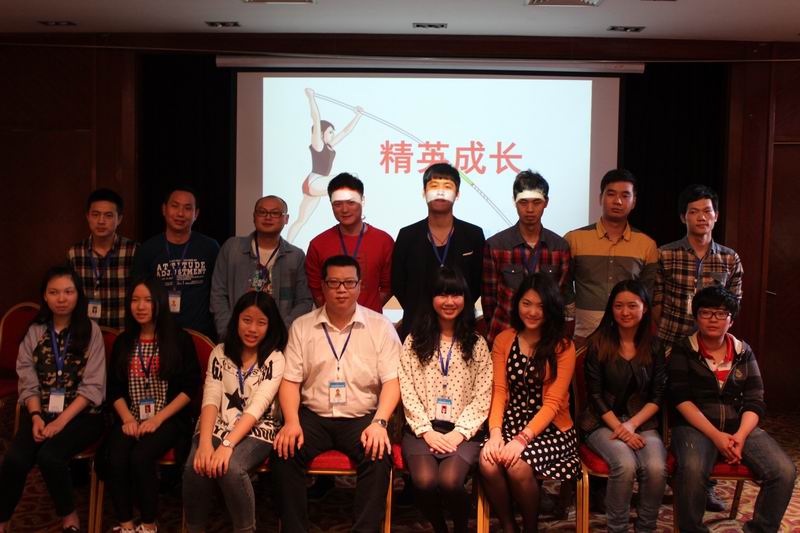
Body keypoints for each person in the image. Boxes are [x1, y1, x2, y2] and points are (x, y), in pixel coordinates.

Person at [272, 255, 402, 533]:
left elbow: (393, 381)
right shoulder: (302, 326)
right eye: (334, 283)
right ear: (322, 286)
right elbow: (290, 381)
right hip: (313, 417)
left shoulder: (381, 327)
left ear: (360, 286)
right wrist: (291, 421)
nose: (341, 289)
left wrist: (380, 422)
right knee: (284, 452)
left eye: (348, 283)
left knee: (379, 455)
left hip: (362, 417)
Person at [668, 286, 796, 533]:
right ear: (696, 317)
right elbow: (681, 400)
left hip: (739, 427)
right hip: (695, 427)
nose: (713, 319)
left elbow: (755, 400)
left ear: (731, 320)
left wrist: (740, 436)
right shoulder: (684, 349)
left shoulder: (743, 351)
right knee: (692, 471)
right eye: (706, 312)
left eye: (721, 313)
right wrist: (716, 436)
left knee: (784, 471)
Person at [0, 265, 106, 533]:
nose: (62, 299)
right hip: (41, 412)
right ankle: (3, 519)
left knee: (50, 456)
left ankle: (69, 517)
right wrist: (36, 416)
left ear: (78, 295)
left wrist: (61, 421)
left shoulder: (91, 331)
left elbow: (93, 387)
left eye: (68, 292)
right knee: (14, 459)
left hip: (83, 415)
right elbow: (27, 379)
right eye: (54, 292)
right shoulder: (35, 331)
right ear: (45, 296)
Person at [479, 273, 580, 533]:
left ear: (551, 309)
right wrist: (495, 432)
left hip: (551, 428)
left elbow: (553, 403)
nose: (533, 312)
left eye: (541, 306)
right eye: (527, 303)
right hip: (510, 420)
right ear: (517, 304)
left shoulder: (563, 346)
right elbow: (499, 391)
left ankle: (530, 528)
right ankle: (509, 526)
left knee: (517, 466)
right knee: (488, 462)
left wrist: (522, 439)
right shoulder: (504, 339)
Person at [182, 291, 287, 533]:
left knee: (232, 469)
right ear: (236, 319)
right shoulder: (219, 352)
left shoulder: (275, 358)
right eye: (246, 320)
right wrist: (205, 444)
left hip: (258, 428)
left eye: (261, 322)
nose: (252, 329)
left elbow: (258, 406)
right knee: (195, 465)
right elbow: (210, 398)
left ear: (270, 326)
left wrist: (227, 445)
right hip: (218, 423)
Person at [399, 268, 492, 533]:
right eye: (442, 294)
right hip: (422, 429)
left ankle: (460, 528)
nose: (449, 301)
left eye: (456, 294)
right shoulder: (414, 341)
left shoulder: (476, 343)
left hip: (464, 432)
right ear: (431, 299)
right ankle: (440, 528)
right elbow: (407, 389)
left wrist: (459, 433)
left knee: (450, 482)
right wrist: (426, 431)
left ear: (465, 299)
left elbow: (483, 394)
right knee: (424, 482)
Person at [105, 276, 201, 533]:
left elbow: (189, 388)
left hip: (168, 417)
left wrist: (158, 419)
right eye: (135, 300)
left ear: (159, 302)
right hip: (131, 416)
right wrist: (127, 419)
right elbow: (113, 388)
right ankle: (126, 525)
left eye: (147, 300)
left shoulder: (179, 339)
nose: (140, 306)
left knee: (140, 456)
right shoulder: (124, 341)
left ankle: (148, 525)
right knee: (116, 456)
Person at [577, 279, 667, 533]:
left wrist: (631, 425)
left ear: (645, 308)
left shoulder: (655, 346)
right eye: (618, 306)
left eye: (632, 305)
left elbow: (658, 396)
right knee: (625, 464)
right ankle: (617, 529)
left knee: (656, 467)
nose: (625, 312)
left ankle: (646, 527)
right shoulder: (598, 343)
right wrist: (620, 427)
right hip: (601, 422)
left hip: (641, 421)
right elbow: (595, 396)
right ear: (611, 309)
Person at [564, 168, 658, 345]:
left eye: (625, 195)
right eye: (611, 194)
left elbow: (647, 295)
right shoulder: (574, 239)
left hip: (627, 340)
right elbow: (565, 286)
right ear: (600, 198)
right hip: (583, 336)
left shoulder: (647, 245)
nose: (618, 201)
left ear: (634, 201)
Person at [393, 163, 485, 339]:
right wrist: (422, 309)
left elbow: (477, 283)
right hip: (416, 327)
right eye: (434, 186)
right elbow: (398, 283)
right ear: (424, 192)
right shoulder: (407, 235)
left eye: (447, 187)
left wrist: (454, 307)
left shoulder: (473, 235)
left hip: (461, 327)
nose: (440, 192)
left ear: (457, 194)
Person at [483, 170, 573, 345]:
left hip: (545, 338)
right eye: (523, 202)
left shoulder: (559, 247)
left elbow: (559, 298)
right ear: (514, 202)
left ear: (546, 202)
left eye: (536, 202)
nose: (530, 209)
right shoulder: (495, 245)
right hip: (504, 335)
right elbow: (489, 302)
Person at [654, 184, 744, 346]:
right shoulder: (665, 254)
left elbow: (733, 305)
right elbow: (656, 302)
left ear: (716, 215)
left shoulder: (730, 258)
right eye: (694, 212)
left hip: (712, 343)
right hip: (671, 340)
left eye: (707, 211)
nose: (702, 217)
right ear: (683, 217)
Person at [211, 195, 312, 338]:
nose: (268, 217)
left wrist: (281, 332)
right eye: (262, 212)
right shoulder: (232, 248)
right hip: (236, 336)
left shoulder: (295, 256)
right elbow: (218, 294)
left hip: (280, 338)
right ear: (254, 216)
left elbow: (304, 301)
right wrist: (229, 331)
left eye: (275, 213)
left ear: (286, 219)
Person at [133, 186, 220, 339]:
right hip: (160, 333)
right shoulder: (147, 250)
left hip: (201, 335)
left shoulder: (210, 248)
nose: (180, 213)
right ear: (164, 209)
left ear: (196, 214)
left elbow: (218, 291)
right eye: (175, 206)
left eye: (187, 208)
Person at [305, 173, 394, 313]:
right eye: (337, 204)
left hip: (371, 322)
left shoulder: (384, 241)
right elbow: (316, 291)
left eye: (351, 202)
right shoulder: (318, 244)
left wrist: (365, 314)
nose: (344, 209)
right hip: (330, 322)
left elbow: (388, 287)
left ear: (362, 201)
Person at [287, 88, 365, 242]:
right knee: (351, 178)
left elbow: (345, 131)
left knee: (301, 220)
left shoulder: (329, 146)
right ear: (321, 134)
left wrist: (358, 115)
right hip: (315, 181)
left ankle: (286, 245)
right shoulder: (318, 145)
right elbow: (316, 119)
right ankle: (356, 210)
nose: (333, 134)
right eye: (330, 132)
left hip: (316, 186)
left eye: (333, 132)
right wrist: (311, 98)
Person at [67, 188, 139, 329]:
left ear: (119, 219)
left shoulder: (133, 250)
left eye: (108, 215)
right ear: (88, 217)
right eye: (95, 215)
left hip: (123, 332)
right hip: (86, 333)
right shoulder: (75, 253)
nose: (101, 221)